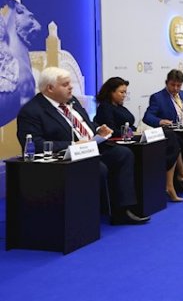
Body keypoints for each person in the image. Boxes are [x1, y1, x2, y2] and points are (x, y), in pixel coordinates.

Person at [16, 67, 149, 225]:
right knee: (98, 167)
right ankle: (88, 217)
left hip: (91, 147)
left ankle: (122, 210)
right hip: (66, 157)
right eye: (65, 84)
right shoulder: (32, 111)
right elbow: (34, 143)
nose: (71, 87)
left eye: (70, 83)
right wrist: (72, 144)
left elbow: (85, 123)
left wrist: (98, 129)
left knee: (123, 154)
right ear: (50, 88)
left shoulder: (72, 101)